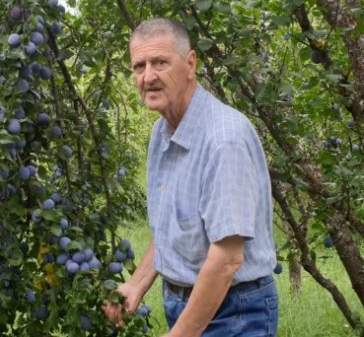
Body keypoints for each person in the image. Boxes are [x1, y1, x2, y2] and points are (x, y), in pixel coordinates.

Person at [103, 18, 278, 336]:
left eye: (160, 62)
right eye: (139, 66)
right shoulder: (162, 132)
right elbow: (174, 228)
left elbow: (226, 259)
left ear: (190, 64)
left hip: (234, 314)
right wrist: (136, 285)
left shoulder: (224, 139)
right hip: (185, 303)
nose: (148, 76)